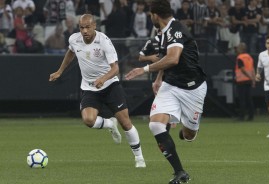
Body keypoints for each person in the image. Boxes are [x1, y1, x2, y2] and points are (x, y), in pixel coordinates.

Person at [49, 14, 146, 167]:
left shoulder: (104, 42)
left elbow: (115, 69)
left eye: (88, 27)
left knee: (126, 122)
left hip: (110, 85)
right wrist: (60, 71)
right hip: (89, 87)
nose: (85, 30)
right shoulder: (74, 39)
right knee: (88, 120)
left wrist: (103, 79)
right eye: (81, 27)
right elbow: (70, 52)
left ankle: (139, 158)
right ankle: (109, 124)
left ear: (95, 26)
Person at [126, 1, 207, 183]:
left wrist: (145, 70)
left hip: (193, 88)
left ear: (155, 15)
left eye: (150, 14)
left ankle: (190, 128)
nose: (150, 17)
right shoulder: (161, 33)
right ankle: (180, 172)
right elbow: (165, 58)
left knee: (189, 134)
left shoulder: (176, 29)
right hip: (170, 85)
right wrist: (159, 78)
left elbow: (173, 58)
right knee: (155, 125)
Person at [235, 42, 255, 121]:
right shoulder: (249, 57)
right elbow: (252, 69)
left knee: (242, 99)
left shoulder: (240, 57)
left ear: (241, 49)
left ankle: (241, 116)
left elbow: (242, 69)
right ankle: (251, 116)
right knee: (249, 99)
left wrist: (249, 77)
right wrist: (253, 79)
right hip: (248, 81)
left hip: (241, 81)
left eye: (238, 48)